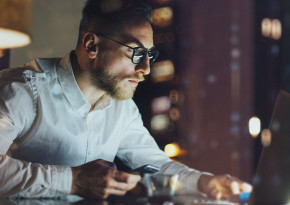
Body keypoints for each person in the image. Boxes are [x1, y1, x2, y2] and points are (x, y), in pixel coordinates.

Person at [0, 0, 252, 200]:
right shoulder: (20, 90)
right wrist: (73, 181)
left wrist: (205, 183)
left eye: (149, 55)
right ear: (92, 46)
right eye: (136, 52)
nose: (146, 68)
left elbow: (155, 164)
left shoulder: (122, 106)